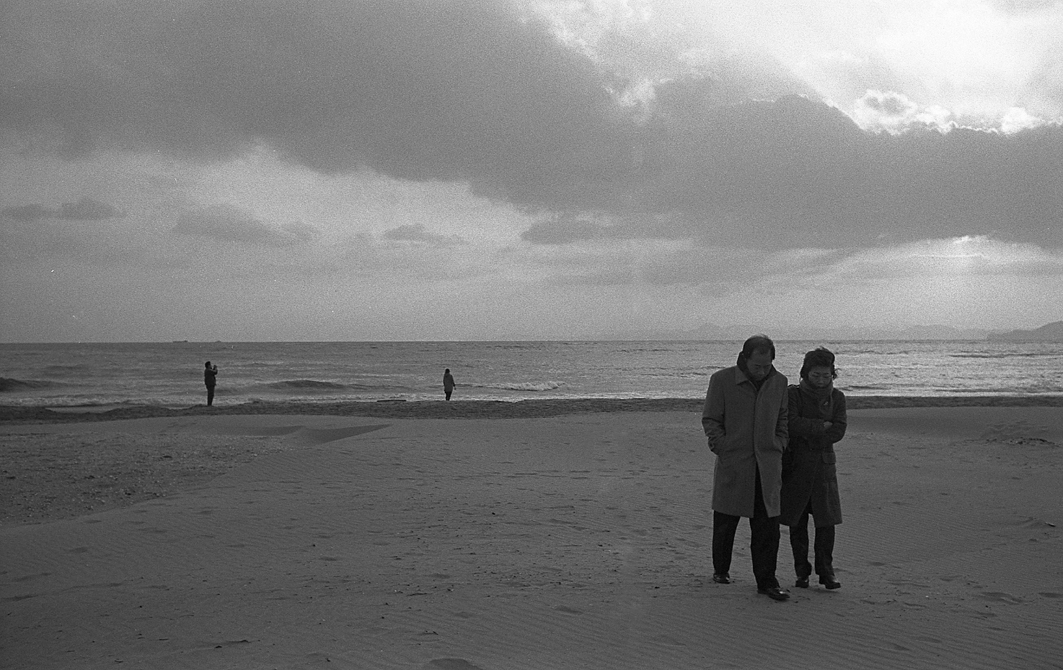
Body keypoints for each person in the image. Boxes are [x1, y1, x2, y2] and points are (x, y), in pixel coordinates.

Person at [702, 335, 791, 601]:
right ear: (744, 359)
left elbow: (783, 418)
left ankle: (767, 581)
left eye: (767, 366)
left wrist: (779, 443)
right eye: (757, 366)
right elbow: (711, 418)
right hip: (735, 461)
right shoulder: (722, 380)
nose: (762, 371)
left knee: (768, 528)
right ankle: (721, 569)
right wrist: (722, 446)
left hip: (768, 464)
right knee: (725, 521)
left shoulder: (780, 382)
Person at [779, 347, 847, 590]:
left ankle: (826, 571)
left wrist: (814, 434)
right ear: (805, 373)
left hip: (824, 467)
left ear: (832, 374)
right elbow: (791, 423)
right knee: (796, 522)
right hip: (796, 465)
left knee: (826, 522)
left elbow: (838, 429)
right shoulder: (793, 395)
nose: (820, 380)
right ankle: (801, 571)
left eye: (826, 376)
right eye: (816, 375)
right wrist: (820, 426)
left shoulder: (837, 397)